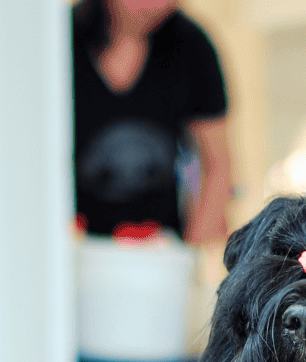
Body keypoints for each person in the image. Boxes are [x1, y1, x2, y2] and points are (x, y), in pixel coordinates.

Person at [73, 0, 231, 246]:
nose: (156, 6)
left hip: (160, 247)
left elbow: (217, 166)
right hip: (78, 248)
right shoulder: (60, 39)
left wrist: (190, 254)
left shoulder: (191, 45)